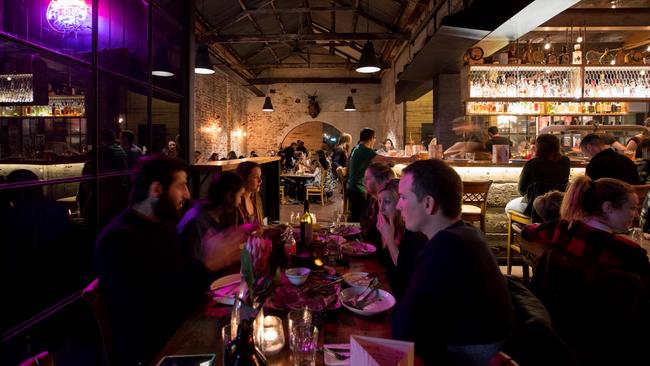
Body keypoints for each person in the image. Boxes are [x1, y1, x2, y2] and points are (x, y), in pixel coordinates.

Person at [392, 159, 514, 365]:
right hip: (491, 345)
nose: (398, 205)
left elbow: (402, 329)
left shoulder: (445, 247)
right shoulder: (467, 232)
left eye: (403, 197)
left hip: (466, 357)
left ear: (428, 204)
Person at [523, 176, 650, 365]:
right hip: (610, 338)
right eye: (631, 207)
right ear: (608, 208)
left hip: (558, 327)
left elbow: (527, 232)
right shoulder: (629, 253)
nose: (636, 214)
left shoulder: (560, 228)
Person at [95, 155, 197, 365]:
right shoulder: (120, 240)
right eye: (181, 186)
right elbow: (155, 309)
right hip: (155, 353)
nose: (187, 195)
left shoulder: (161, 226)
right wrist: (208, 265)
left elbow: (178, 280)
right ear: (157, 189)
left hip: (176, 335)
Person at [177, 171, 256, 288]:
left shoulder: (216, 215)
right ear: (229, 196)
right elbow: (193, 272)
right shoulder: (197, 221)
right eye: (239, 196)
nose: (240, 201)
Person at [374, 179, 427, 300]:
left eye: (387, 202)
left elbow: (405, 273)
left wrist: (389, 240)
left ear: (399, 203)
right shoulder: (387, 224)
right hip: (387, 288)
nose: (381, 208)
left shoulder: (412, 231)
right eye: (379, 201)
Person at [346, 128, 413, 222]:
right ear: (371, 138)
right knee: (359, 219)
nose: (375, 141)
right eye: (375, 138)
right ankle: (355, 234)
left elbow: (375, 162)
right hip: (358, 190)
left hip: (353, 188)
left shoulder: (358, 148)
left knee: (357, 217)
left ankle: (354, 233)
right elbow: (386, 159)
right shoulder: (364, 150)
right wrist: (409, 159)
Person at [504, 134, 570, 216]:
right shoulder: (565, 161)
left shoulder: (532, 164)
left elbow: (521, 189)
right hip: (559, 205)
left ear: (538, 147)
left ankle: (528, 226)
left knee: (508, 207)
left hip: (534, 207)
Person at [360, 162, 396, 248]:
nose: (364, 182)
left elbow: (371, 233)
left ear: (379, 181)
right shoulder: (373, 199)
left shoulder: (389, 205)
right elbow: (362, 219)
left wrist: (366, 228)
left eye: (367, 179)